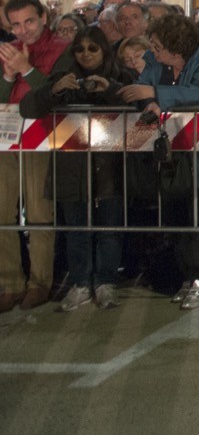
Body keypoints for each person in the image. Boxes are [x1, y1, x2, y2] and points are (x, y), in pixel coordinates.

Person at [19, 27, 132, 311]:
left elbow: (140, 104)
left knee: (109, 228)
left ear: (104, 50)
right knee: (77, 230)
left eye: (92, 49)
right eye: (80, 49)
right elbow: (28, 107)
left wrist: (112, 90)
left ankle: (106, 282)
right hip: (71, 170)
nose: (85, 54)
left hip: (111, 168)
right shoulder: (62, 77)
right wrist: (54, 89)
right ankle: (80, 282)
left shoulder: (120, 75)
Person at [123, 14, 199, 309]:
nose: (151, 53)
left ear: (176, 48)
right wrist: (149, 102)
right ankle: (185, 277)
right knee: (175, 215)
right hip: (167, 152)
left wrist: (156, 93)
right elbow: (141, 88)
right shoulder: (155, 61)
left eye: (157, 47)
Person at [0, 0, 73, 312]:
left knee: (40, 210)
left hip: (42, 138)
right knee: (2, 213)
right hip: (5, 138)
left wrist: (26, 68)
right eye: (15, 24)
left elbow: (54, 94)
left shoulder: (62, 49)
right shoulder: (8, 49)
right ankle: (11, 282)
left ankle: (40, 282)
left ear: (43, 17)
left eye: (28, 21)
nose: (22, 30)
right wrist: (7, 74)